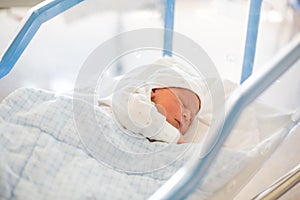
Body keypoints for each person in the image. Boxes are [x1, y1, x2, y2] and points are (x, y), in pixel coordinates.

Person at [99, 58, 203, 144]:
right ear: (154, 91)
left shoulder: (162, 141)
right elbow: (136, 111)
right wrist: (176, 138)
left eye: (190, 120)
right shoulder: (133, 95)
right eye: (183, 103)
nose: (187, 115)